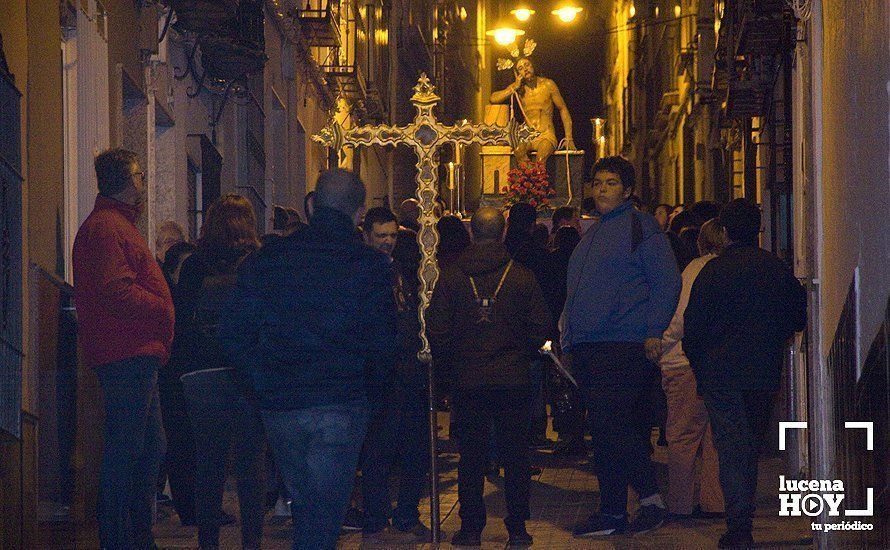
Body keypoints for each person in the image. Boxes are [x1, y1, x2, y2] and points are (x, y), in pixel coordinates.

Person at [219, 169, 397, 550]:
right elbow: (384, 345)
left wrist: (262, 379)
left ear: (313, 204)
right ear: (359, 214)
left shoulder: (269, 260)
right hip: (341, 400)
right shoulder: (370, 267)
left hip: (283, 402)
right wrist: (372, 397)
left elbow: (233, 331)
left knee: (306, 505)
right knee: (325, 513)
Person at [561, 156, 680, 537]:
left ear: (627, 190)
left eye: (611, 182)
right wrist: (568, 338)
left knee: (617, 427)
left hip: (623, 343)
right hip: (590, 346)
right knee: (606, 430)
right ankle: (612, 511)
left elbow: (666, 281)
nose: (601, 189)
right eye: (597, 182)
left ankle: (649, 501)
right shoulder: (592, 233)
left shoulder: (640, 227)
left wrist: (652, 331)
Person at [684, 199, 807, 549]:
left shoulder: (713, 271)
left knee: (732, 449)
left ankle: (739, 525)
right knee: (748, 446)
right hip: (762, 372)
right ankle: (742, 520)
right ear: (758, 230)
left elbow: (693, 327)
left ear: (723, 230)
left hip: (721, 375)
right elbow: (797, 317)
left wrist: (700, 368)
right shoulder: (776, 269)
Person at [428, 207, 550, 548]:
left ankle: (470, 528)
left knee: (471, 457)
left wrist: (453, 364)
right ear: (504, 230)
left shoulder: (451, 277)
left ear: (472, 233)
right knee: (515, 456)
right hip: (512, 379)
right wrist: (519, 351)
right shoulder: (522, 276)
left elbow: (437, 329)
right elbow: (542, 326)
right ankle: (518, 528)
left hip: (468, 380)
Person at [72, 148, 173, 549]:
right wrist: (160, 307)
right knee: (127, 452)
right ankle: (120, 538)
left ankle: (134, 536)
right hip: (126, 352)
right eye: (141, 176)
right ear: (130, 181)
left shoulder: (113, 225)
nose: (144, 182)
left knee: (148, 448)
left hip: (135, 351)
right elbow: (116, 289)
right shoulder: (107, 228)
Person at [175, 194, 266, 549]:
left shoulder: (196, 264)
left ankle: (208, 541)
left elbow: (182, 319)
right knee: (250, 462)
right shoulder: (256, 264)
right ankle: (252, 542)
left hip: (202, 372)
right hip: (246, 372)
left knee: (209, 462)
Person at [359, 207, 432, 543]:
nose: (387, 242)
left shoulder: (402, 269)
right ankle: (376, 516)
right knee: (378, 448)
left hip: (407, 370)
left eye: (392, 235)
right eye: (381, 236)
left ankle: (406, 513)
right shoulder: (360, 270)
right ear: (367, 235)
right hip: (378, 374)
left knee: (415, 447)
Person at [658, 219, 726, 518]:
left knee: (683, 437)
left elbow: (680, 318)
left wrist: (660, 343)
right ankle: (715, 502)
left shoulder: (695, 270)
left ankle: (681, 504)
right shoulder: (730, 269)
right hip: (721, 366)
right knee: (715, 438)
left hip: (684, 363)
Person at [489, 57, 575, 164]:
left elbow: (563, 109)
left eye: (527, 65)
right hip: (528, 135)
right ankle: (529, 179)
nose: (525, 69)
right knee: (518, 151)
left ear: (533, 65)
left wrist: (569, 137)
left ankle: (537, 178)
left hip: (546, 135)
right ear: (517, 74)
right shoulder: (519, 88)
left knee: (541, 159)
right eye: (520, 68)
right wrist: (514, 87)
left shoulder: (548, 84)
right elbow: (493, 98)